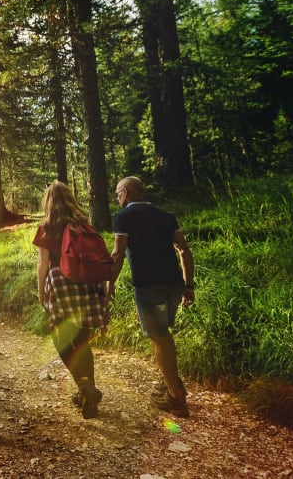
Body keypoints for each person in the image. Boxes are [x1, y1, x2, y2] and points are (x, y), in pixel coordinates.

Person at [110, 176, 195, 417]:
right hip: (174, 285)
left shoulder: (124, 216)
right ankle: (170, 382)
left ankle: (176, 398)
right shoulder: (166, 216)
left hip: (149, 286)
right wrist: (189, 285)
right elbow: (184, 251)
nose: (117, 198)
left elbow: (117, 255)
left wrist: (109, 284)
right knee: (164, 336)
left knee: (159, 338)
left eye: (118, 193)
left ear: (126, 192)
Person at [32, 182, 110, 419]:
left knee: (62, 340)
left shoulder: (46, 227)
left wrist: (40, 292)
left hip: (61, 283)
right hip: (88, 283)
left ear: (48, 202)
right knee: (83, 340)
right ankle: (88, 396)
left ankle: (85, 386)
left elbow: (42, 263)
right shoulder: (83, 224)